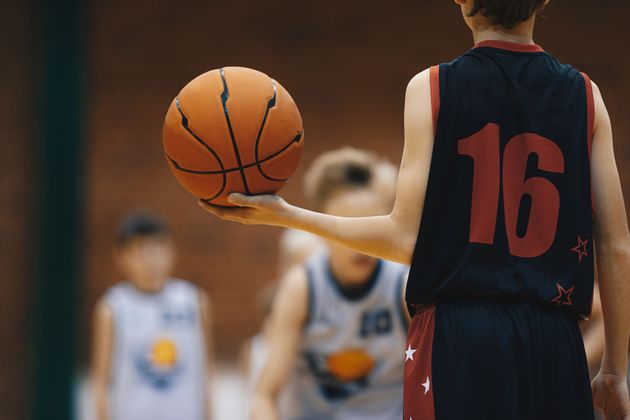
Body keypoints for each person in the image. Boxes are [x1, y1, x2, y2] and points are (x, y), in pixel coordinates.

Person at [200, 1, 630, 419]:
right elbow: (616, 246)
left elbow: (405, 239)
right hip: (555, 341)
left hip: (458, 339)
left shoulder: (432, 87)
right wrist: (613, 370)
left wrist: (287, 215)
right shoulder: (587, 97)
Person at [250, 148, 410, 420]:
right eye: (347, 231)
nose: (360, 245)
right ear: (321, 230)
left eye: (368, 229)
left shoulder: (404, 283)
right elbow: (265, 395)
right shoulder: (301, 288)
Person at [91, 213, 213, 420]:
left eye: (158, 247)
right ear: (121, 256)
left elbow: (206, 373)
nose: (151, 258)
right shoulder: (112, 307)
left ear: (172, 251)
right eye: (140, 250)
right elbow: (102, 383)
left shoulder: (194, 300)